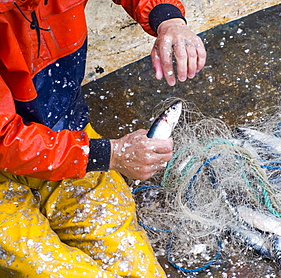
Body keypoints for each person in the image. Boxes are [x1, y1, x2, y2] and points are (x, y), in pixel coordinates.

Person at [0, 0, 206, 277]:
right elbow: (5, 141)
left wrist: (168, 19)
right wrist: (110, 154)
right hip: (19, 148)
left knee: (136, 266)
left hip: (63, 134)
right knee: (46, 267)